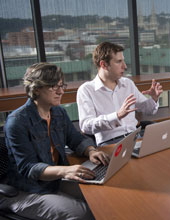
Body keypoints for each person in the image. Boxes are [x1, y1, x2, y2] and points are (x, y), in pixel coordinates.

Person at [3, 63, 110, 220]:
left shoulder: (58, 112)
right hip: (27, 191)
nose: (61, 91)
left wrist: (91, 151)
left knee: (102, 195)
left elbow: (74, 137)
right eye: (53, 87)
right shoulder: (17, 122)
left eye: (61, 85)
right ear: (37, 88)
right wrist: (66, 171)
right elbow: (29, 168)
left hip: (55, 180)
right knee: (83, 213)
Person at [77, 42, 163, 146]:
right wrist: (116, 116)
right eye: (119, 62)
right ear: (103, 64)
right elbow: (86, 126)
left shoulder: (128, 84)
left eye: (123, 61)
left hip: (135, 138)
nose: (125, 66)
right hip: (109, 143)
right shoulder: (86, 90)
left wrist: (153, 99)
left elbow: (147, 110)